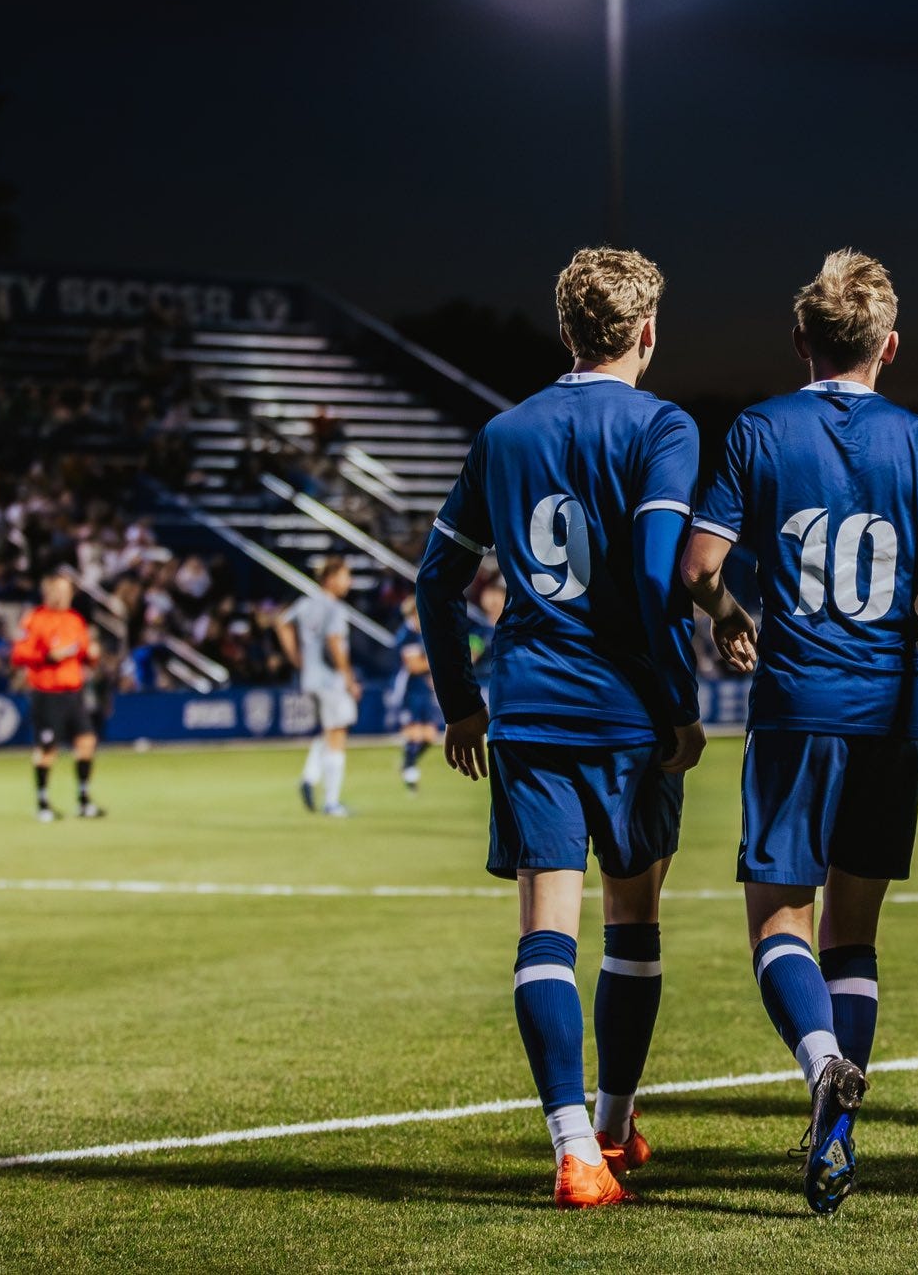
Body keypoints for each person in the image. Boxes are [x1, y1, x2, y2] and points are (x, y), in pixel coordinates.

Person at [680, 249, 918, 1217]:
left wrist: (727, 613)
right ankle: (837, 1136)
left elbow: (698, 562)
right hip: (889, 704)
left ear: (798, 342)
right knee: (852, 937)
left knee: (780, 916)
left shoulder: (757, 430)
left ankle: (819, 1062)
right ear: (888, 347)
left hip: (795, 699)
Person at [415, 246, 706, 1210]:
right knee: (634, 918)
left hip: (531, 708)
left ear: (565, 330)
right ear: (648, 333)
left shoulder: (504, 432)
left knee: (548, 930)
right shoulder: (663, 425)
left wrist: (460, 700)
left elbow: (435, 578)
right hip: (627, 715)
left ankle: (577, 1149)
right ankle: (616, 1125)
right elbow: (664, 580)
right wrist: (681, 705)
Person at [11, 574, 104, 822]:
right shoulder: (35, 619)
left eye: (67, 591)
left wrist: (93, 654)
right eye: (59, 591)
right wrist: (49, 656)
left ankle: (83, 800)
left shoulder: (75, 620)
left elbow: (84, 651)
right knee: (47, 749)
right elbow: (19, 654)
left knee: (86, 742)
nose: (64, 596)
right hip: (47, 693)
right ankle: (42, 802)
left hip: (73, 692)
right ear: (48, 592)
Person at [275, 557, 359, 818]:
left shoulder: (306, 603)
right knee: (338, 733)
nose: (349, 581)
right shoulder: (334, 608)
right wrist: (348, 678)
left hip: (310, 678)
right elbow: (335, 642)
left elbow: (281, 622)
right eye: (346, 575)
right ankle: (331, 802)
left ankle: (309, 778)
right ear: (331, 578)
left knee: (328, 730)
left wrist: (296, 657)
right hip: (330, 680)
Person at [389, 596, 443, 793]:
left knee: (430, 735)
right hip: (408, 691)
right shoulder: (407, 635)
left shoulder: (420, 634)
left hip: (422, 689)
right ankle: (410, 777)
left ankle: (407, 762)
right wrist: (438, 662)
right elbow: (413, 666)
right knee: (413, 734)